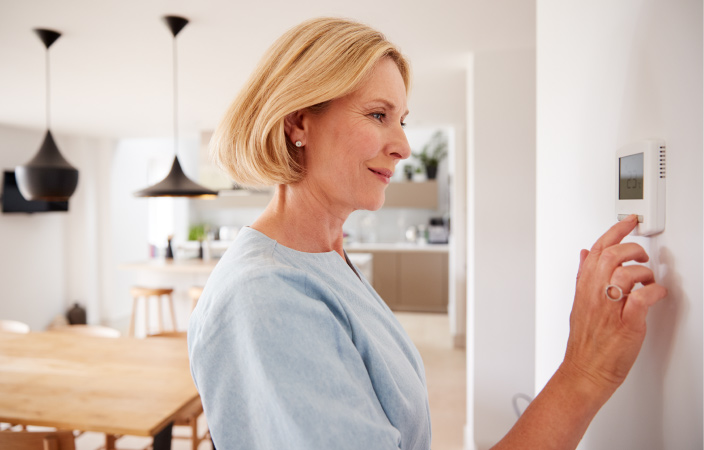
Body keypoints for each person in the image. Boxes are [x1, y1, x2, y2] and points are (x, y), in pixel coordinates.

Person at [187, 17, 667, 450]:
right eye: (378, 115)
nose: (403, 146)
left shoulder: (324, 257)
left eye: (402, 120)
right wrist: (584, 374)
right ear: (298, 123)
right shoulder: (267, 296)